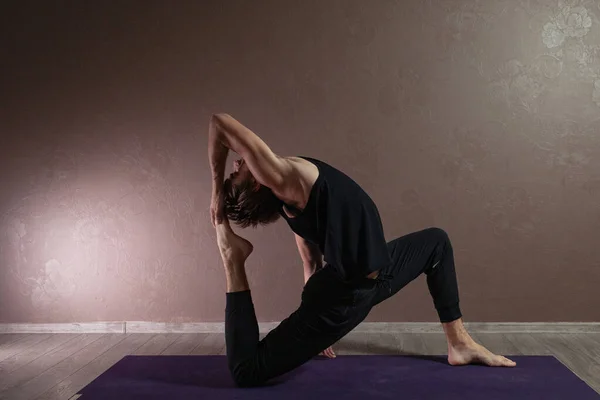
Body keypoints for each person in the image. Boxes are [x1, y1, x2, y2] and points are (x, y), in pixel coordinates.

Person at [208, 113, 516, 387]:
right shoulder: (285, 180)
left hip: (373, 278)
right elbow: (221, 123)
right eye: (237, 173)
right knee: (246, 371)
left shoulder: (291, 196)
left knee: (436, 242)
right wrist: (318, 326)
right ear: (259, 182)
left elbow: (313, 265)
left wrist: (216, 192)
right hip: (342, 300)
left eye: (234, 170)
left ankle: (459, 343)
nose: (235, 164)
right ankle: (232, 258)